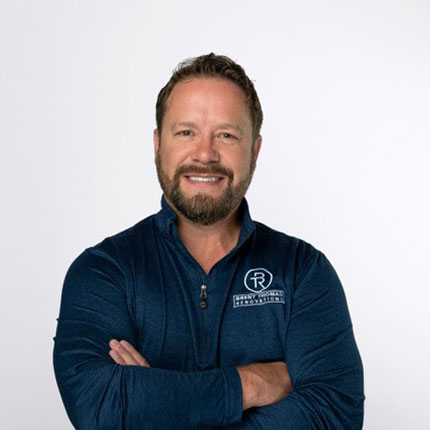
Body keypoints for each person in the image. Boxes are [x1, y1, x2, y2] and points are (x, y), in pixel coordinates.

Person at [53, 53, 364, 429]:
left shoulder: (303, 271)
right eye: (186, 132)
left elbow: (334, 416)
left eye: (226, 135)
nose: (205, 154)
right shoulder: (104, 272)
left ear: (254, 151)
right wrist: (253, 383)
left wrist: (157, 404)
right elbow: (101, 408)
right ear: (157, 144)